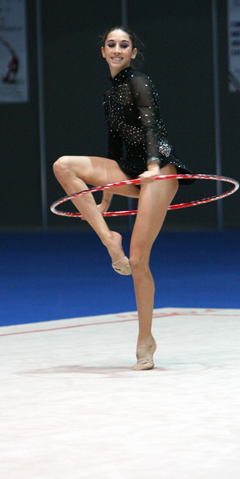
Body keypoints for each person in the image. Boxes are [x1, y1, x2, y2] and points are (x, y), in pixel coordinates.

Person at [53, 27, 193, 370]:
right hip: (128, 169)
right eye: (111, 44)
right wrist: (106, 196)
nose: (117, 49)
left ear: (132, 53)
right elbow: (114, 149)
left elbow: (151, 126)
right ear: (103, 51)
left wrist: (152, 165)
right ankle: (108, 240)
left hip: (158, 170)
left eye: (124, 45)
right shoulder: (109, 93)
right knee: (63, 166)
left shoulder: (139, 81)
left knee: (139, 259)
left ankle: (146, 339)